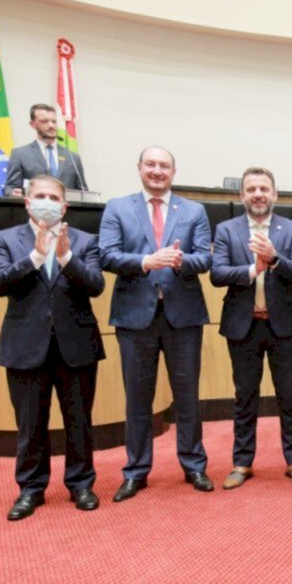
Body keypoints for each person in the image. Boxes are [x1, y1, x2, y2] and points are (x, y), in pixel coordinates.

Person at [0, 175, 105, 520]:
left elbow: (96, 285)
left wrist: (67, 259)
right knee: (30, 424)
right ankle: (30, 489)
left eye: (54, 197)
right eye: (40, 195)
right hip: (25, 346)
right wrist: (36, 256)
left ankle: (81, 484)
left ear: (64, 206)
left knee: (79, 422)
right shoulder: (5, 239)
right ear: (27, 201)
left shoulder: (84, 241)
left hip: (77, 345)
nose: (47, 202)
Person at [98, 146, 214, 501]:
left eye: (164, 165)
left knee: (188, 398)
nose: (158, 170)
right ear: (139, 169)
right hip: (136, 318)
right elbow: (106, 255)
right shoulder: (118, 207)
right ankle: (135, 471)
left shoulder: (194, 210)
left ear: (173, 172)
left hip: (183, 317)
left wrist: (179, 261)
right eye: (151, 164)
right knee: (137, 398)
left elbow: (205, 258)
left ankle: (194, 466)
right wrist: (147, 260)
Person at [210, 167, 292, 490]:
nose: (258, 194)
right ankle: (242, 462)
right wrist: (254, 269)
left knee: (289, 396)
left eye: (264, 188)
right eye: (251, 189)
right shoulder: (227, 229)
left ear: (274, 194)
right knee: (245, 396)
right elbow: (217, 274)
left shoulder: (291, 228)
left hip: (284, 327)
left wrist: (275, 258)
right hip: (244, 326)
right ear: (242, 195)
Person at [3, 104, 87, 197]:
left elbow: (83, 191)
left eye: (54, 121)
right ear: (33, 124)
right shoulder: (19, 154)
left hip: (66, 210)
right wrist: (12, 193)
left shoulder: (72, 157)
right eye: (44, 121)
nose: (51, 125)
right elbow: (10, 187)